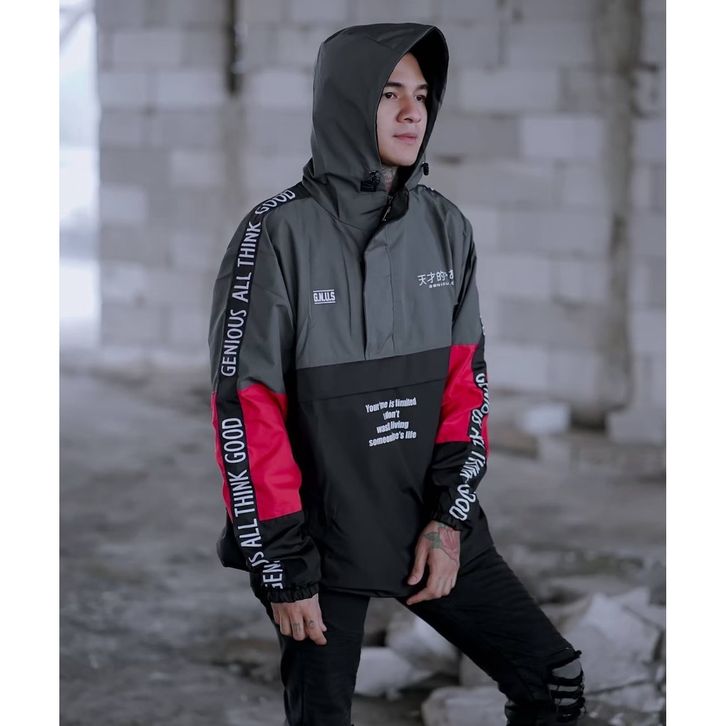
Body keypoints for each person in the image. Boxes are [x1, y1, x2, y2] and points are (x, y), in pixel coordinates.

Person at [208, 22, 586, 726]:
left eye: (422, 94)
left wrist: (450, 518)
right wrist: (281, 563)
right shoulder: (277, 233)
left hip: (426, 519)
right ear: (347, 102)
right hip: (320, 539)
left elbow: (465, 388)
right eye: (389, 94)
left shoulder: (446, 227)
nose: (413, 112)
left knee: (554, 683)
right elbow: (248, 411)